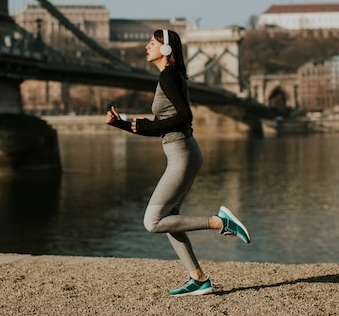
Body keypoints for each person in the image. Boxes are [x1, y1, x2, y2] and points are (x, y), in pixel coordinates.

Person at [105, 29, 251, 296]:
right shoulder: (169, 77)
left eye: (152, 43)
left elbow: (184, 116)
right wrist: (121, 124)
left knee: (153, 222)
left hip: (182, 154)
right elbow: (162, 126)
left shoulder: (168, 75)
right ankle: (199, 279)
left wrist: (149, 124)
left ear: (167, 50)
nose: (146, 47)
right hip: (183, 152)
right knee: (170, 219)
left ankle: (221, 222)